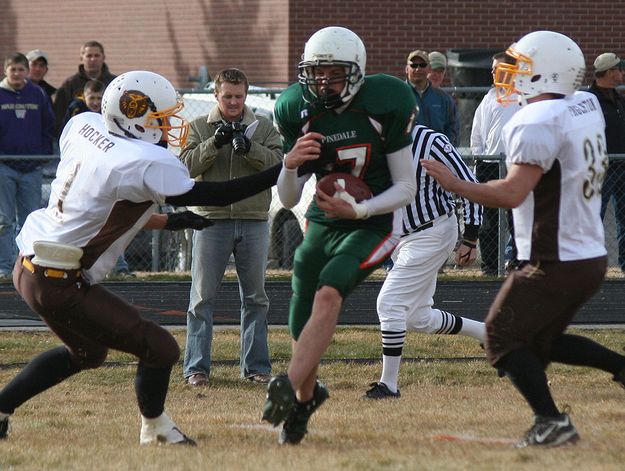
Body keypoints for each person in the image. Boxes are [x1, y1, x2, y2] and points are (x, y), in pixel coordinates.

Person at [0, 70, 287, 444]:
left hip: (30, 265)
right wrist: (285, 169)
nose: (168, 124)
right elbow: (215, 196)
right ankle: (156, 430)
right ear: (135, 119)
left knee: (88, 353)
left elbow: (102, 206)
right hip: (57, 279)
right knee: (161, 348)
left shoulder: (84, 125)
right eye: (160, 118)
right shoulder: (141, 159)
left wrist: (167, 222)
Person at [421, 31, 625, 448]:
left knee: (500, 336)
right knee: (540, 341)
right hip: (586, 254)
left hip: (554, 255)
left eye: (522, 67)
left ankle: (551, 422)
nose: (513, 75)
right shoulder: (584, 104)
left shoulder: (535, 121)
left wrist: (456, 184)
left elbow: (512, 192)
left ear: (546, 73)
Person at [260, 26, 417, 445]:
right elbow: (289, 197)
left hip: (373, 220)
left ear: (357, 72)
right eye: (316, 74)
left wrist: (360, 208)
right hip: (323, 218)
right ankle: (306, 399)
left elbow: (407, 187)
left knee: (329, 293)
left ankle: (286, 388)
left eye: (333, 73)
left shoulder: (386, 101)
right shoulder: (297, 107)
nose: (323, 83)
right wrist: (289, 165)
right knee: (299, 323)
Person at [364, 124, 484, 399]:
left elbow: (470, 184)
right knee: (418, 317)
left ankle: (389, 385)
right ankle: (488, 334)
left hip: (432, 231)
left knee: (389, 303)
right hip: (398, 236)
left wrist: (471, 238)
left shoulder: (430, 140)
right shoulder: (370, 142)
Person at [180, 68, 282, 386]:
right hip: (211, 220)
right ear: (216, 95)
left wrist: (251, 149)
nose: (234, 102)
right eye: (228, 96)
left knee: (255, 299)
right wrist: (214, 143)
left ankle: (256, 368)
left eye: (239, 96)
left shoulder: (263, 127)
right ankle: (196, 368)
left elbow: (280, 165)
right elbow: (184, 167)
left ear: (246, 94)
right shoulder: (198, 126)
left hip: (252, 220)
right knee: (201, 298)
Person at [0, 53, 55, 281]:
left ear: (26, 71)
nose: (17, 74)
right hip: (4, 166)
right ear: (6, 71)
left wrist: (42, 155)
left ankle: (29, 267)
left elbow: (48, 124)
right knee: (4, 220)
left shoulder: (38, 94)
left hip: (31, 168)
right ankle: (4, 266)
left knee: (31, 220)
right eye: (13, 70)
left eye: (21, 70)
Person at [470, 52, 521, 276]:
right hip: (489, 165)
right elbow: (477, 133)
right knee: (488, 219)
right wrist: (479, 157)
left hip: (514, 165)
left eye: (497, 68)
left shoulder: (523, 97)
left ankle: (518, 262)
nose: (492, 72)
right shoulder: (489, 97)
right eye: (492, 68)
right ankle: (489, 265)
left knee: (517, 217)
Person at [587, 52, 625, 273]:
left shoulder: (618, 98)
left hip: (622, 168)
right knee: (594, 218)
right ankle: (590, 264)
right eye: (619, 69)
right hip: (601, 171)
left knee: (624, 220)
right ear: (610, 72)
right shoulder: (590, 100)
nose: (622, 73)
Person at [53, 40, 116, 135]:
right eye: (89, 56)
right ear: (81, 58)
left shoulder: (114, 84)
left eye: (96, 55)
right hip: (78, 139)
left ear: (103, 57)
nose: (93, 59)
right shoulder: (70, 84)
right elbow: (59, 115)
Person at [405, 49, 459, 145]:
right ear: (406, 69)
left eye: (422, 65)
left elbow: (452, 129)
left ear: (427, 68)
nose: (418, 69)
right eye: (414, 65)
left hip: (436, 155)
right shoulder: (399, 94)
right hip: (408, 154)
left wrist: (445, 150)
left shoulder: (444, 99)